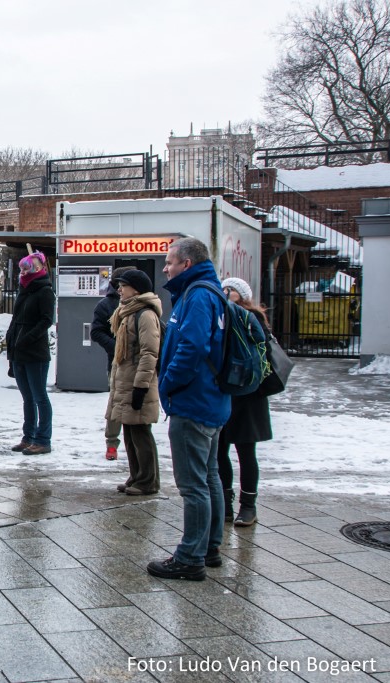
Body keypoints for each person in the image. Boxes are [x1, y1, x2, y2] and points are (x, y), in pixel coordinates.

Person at [147, 237, 229, 582]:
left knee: (194, 484)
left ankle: (190, 557)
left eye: (170, 262)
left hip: (193, 402)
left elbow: (192, 346)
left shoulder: (197, 296)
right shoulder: (210, 291)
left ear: (188, 263)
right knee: (209, 477)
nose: (165, 268)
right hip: (210, 401)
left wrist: (168, 383)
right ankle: (209, 547)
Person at [218, 277, 272, 527]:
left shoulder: (253, 318)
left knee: (245, 451)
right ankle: (225, 504)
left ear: (243, 295)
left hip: (249, 395)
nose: (226, 293)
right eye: (224, 289)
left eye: (231, 290)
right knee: (219, 451)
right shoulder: (220, 316)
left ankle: (248, 506)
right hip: (226, 392)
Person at [106, 270, 162, 496]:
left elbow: (149, 352)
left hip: (137, 382)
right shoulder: (127, 312)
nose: (119, 289)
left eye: (123, 285)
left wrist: (141, 386)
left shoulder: (145, 314)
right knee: (129, 430)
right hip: (125, 380)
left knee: (140, 432)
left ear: (136, 289)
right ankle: (136, 475)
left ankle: (148, 481)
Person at [6, 251, 55, 455]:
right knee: (27, 397)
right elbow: (16, 318)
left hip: (35, 352)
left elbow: (46, 320)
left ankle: (43, 439)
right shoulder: (23, 289)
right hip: (19, 352)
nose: (25, 272)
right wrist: (12, 341)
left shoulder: (44, 291)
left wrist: (27, 338)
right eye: (23, 268)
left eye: (29, 268)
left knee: (39, 396)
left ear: (40, 268)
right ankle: (28, 436)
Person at [91, 266, 132, 460]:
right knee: (116, 404)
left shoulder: (144, 304)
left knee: (138, 405)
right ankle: (112, 443)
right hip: (116, 362)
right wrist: (117, 347)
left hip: (140, 364)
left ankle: (135, 444)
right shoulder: (106, 305)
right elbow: (96, 332)